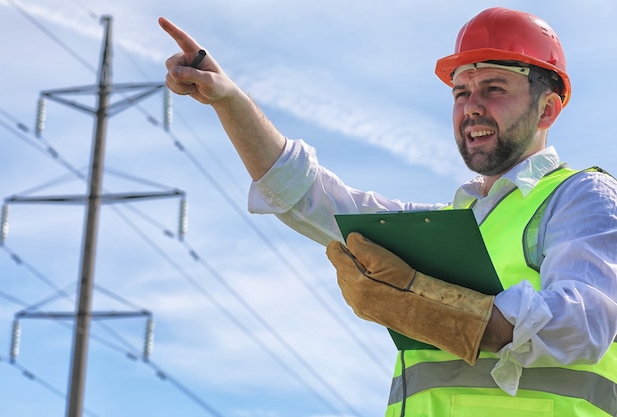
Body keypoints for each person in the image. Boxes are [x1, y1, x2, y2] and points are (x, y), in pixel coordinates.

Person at [159, 7, 617, 416]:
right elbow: (306, 196)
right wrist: (228, 100)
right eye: (460, 93)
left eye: (493, 88)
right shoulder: (455, 224)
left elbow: (584, 323)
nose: (471, 107)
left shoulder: (582, 196)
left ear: (548, 109)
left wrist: (435, 306)